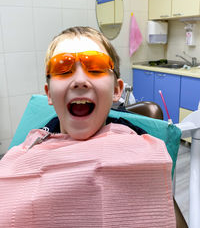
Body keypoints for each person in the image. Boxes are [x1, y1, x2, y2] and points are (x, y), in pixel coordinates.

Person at [0, 27, 176, 227]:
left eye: (96, 67)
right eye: (62, 68)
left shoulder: (139, 148)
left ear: (117, 90)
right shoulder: (33, 146)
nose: (80, 81)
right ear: (49, 94)